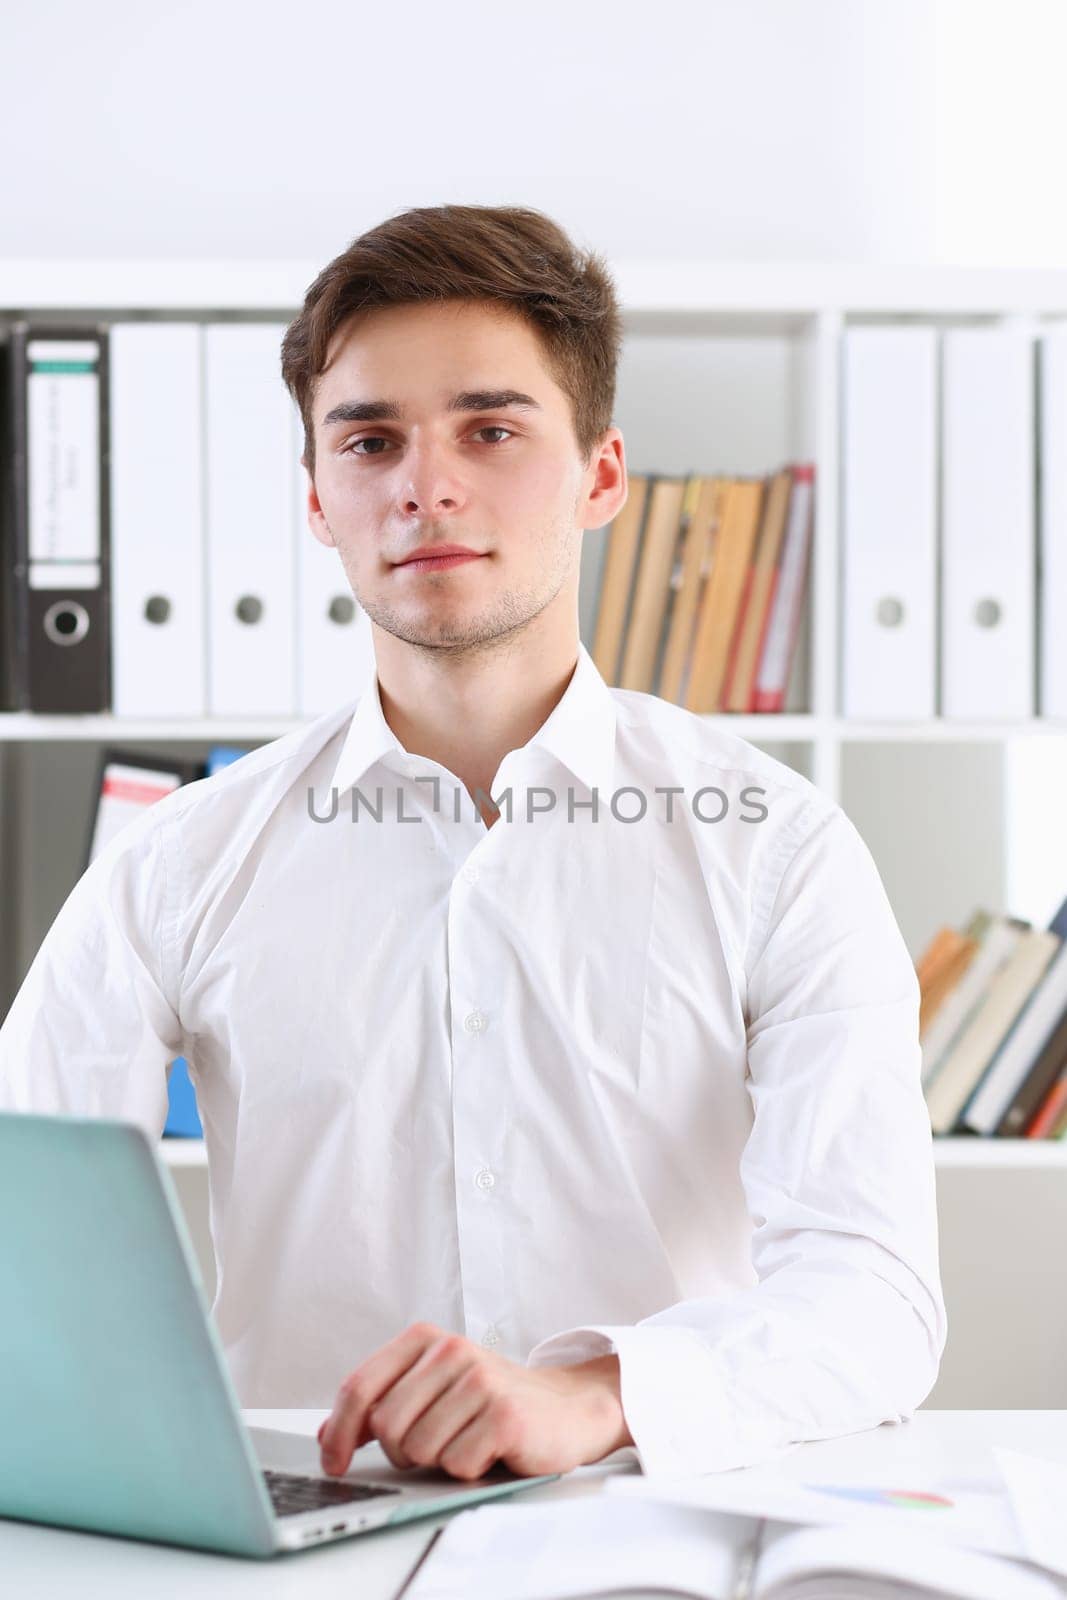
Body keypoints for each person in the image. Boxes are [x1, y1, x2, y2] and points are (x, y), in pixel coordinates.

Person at [0, 203, 946, 1484]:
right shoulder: (181, 860)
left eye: (490, 430)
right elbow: (24, 1227)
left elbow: (874, 1296)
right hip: (298, 1539)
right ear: (320, 501)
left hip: (657, 1518)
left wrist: (597, 1395)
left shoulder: (774, 848)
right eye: (371, 440)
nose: (425, 484)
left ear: (600, 475)